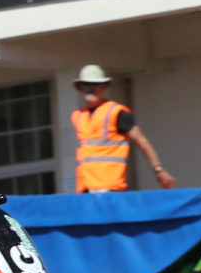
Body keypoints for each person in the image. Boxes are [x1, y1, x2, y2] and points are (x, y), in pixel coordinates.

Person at [71, 64, 175, 192]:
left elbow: (142, 142)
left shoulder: (116, 112)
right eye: (86, 84)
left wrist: (159, 170)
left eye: (94, 84)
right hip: (86, 188)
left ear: (104, 86)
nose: (90, 88)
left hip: (110, 187)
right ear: (80, 87)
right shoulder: (78, 116)